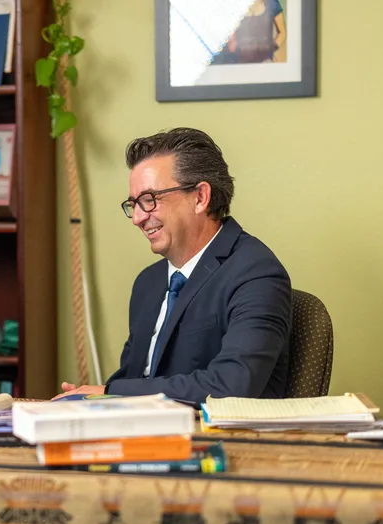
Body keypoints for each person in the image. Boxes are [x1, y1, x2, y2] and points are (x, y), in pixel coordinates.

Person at [59, 127, 291, 405]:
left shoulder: (256, 273)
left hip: (219, 442)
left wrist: (110, 391)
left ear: (200, 198)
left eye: (149, 200)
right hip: (140, 431)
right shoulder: (148, 282)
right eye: (134, 204)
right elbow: (131, 378)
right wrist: (91, 397)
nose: (137, 218)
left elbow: (233, 383)